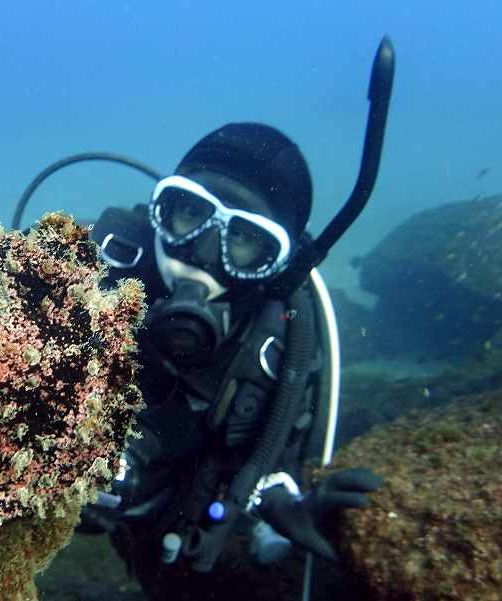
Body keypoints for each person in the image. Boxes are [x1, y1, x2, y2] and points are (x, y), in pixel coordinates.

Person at [77, 122, 383, 597]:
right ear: (164, 205)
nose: (201, 256)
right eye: (190, 213)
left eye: (243, 241)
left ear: (275, 264)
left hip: (160, 530)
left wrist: (279, 499)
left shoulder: (279, 341)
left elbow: (269, 455)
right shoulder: (90, 265)